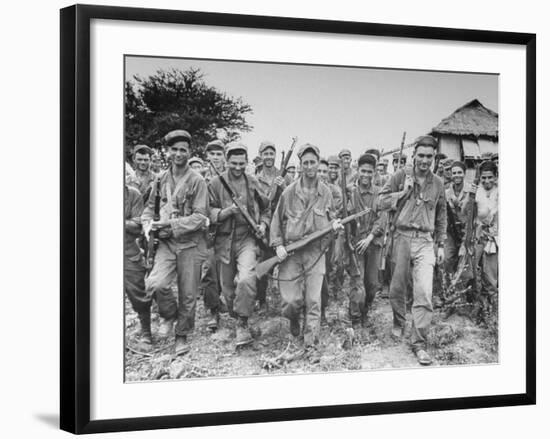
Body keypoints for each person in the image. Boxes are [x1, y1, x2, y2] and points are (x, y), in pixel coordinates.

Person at [270, 143, 343, 362]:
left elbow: (331, 220)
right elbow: (276, 221)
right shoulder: (289, 192)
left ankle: (311, 344)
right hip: (291, 253)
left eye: (313, 162)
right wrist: (278, 245)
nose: (310, 167)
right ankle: (294, 320)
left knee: (313, 301)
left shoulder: (326, 193)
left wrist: (335, 228)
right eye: (306, 163)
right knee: (291, 301)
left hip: (315, 253)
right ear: (300, 165)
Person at [379, 135, 446, 366]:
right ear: (415, 155)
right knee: (397, 289)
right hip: (402, 238)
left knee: (425, 292)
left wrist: (441, 244)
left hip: (426, 241)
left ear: (434, 157)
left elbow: (442, 215)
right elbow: (379, 202)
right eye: (421, 155)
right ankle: (399, 321)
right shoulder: (400, 176)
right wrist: (401, 193)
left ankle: (419, 342)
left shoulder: (438, 183)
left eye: (430, 156)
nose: (425, 160)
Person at [142, 129, 209, 356]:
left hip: (190, 244)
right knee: (155, 284)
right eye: (174, 149)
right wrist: (149, 226)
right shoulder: (160, 179)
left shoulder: (197, 180)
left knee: (188, 294)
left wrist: (170, 225)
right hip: (167, 244)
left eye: (183, 149)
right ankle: (169, 315)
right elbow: (149, 209)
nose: (178, 153)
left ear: (190, 152)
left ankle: (181, 334)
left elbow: (200, 217)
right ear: (168, 152)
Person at [208, 143, 271, 347]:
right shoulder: (215, 183)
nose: (237, 167)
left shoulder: (252, 182)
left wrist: (262, 224)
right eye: (233, 163)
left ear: (247, 162)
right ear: (226, 162)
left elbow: (266, 209)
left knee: (246, 279)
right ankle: (236, 315)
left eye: (241, 163)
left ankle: (242, 322)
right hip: (224, 240)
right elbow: (206, 212)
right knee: (227, 290)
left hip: (247, 239)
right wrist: (227, 212)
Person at [345, 153, 386, 327]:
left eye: (370, 172)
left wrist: (369, 238)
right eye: (363, 171)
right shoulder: (352, 193)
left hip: (373, 243)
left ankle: (366, 310)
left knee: (372, 284)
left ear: (374, 173)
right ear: (357, 171)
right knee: (357, 283)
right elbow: (347, 216)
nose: (366, 175)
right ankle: (355, 318)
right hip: (356, 245)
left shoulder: (379, 193)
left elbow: (382, 218)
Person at [255, 141, 287, 311]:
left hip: (281, 225)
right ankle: (261, 300)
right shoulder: (255, 178)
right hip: (263, 225)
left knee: (286, 261)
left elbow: (292, 198)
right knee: (263, 261)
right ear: (260, 155)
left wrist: (283, 186)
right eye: (265, 153)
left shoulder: (283, 175)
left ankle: (286, 300)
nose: (268, 157)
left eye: (271, 153)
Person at [125, 183, 153, 349]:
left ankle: (146, 331)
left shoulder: (132, 194)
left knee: (138, 294)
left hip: (129, 251)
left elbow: (137, 227)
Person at [465, 160, 498, 294]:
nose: (486, 180)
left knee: (490, 274)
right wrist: (469, 198)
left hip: (495, 239)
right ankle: (475, 302)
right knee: (472, 271)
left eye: (490, 177)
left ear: (495, 176)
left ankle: (490, 307)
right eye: (483, 177)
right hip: (478, 236)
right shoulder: (476, 192)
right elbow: (465, 212)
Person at [317, 157, 343, 323]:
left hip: (326, 239)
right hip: (308, 241)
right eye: (319, 171)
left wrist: (330, 216)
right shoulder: (304, 189)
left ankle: (322, 311)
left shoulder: (334, 191)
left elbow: (336, 213)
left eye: (324, 172)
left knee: (324, 274)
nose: (321, 174)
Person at [444, 161, 470, 274]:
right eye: (454, 173)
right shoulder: (446, 193)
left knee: (466, 263)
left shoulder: (471, 191)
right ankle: (449, 286)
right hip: (451, 231)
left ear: (464, 173)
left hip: (467, 231)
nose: (457, 175)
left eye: (460, 172)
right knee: (447, 258)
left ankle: (467, 289)